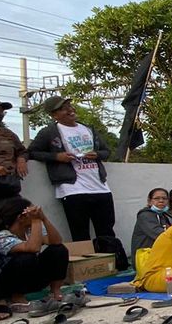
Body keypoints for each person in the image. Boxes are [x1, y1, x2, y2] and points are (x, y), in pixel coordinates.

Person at [27, 96, 116, 242]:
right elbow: (33, 152)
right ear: (54, 115)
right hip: (73, 188)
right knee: (80, 233)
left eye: (69, 105)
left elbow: (107, 151)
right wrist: (57, 157)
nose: (69, 110)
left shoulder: (88, 129)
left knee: (106, 230)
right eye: (63, 108)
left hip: (100, 187)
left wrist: (97, 154)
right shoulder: (49, 132)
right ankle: (86, 264)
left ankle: (109, 263)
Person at [0, 197, 70, 311]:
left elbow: (56, 241)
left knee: (59, 249)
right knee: (26, 257)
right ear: (21, 218)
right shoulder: (1, 236)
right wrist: (36, 221)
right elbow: (32, 248)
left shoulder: (30, 229)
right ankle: (17, 298)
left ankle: (55, 291)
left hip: (31, 278)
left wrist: (43, 219)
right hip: (9, 282)